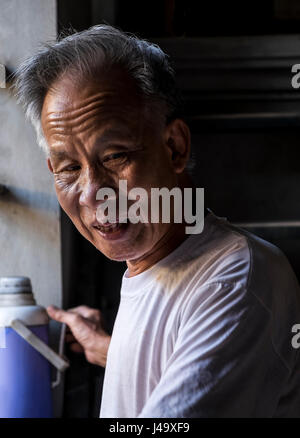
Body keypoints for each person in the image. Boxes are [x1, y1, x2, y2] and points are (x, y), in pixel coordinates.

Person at [14, 24, 300, 418]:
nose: (93, 192)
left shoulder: (236, 279)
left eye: (115, 157)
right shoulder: (155, 262)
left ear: (175, 147)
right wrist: (111, 350)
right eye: (68, 168)